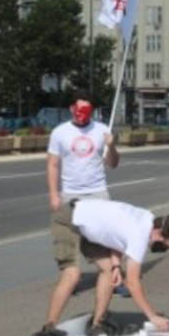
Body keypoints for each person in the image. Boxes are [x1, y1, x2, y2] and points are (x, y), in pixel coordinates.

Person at [32, 199, 169, 336]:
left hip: (90, 228)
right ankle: (48, 328)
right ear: (159, 233)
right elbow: (132, 283)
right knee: (72, 274)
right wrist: (152, 316)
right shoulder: (140, 234)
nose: (159, 249)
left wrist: (116, 265)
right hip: (69, 219)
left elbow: (116, 238)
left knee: (109, 272)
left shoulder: (147, 219)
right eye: (162, 246)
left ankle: (96, 324)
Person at [47, 96, 124, 304]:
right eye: (78, 110)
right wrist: (54, 194)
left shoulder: (101, 130)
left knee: (107, 237)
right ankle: (69, 278)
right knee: (68, 240)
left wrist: (112, 146)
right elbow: (53, 164)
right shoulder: (60, 132)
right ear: (71, 108)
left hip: (97, 192)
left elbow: (113, 164)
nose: (81, 116)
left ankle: (115, 276)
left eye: (86, 111)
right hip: (70, 194)